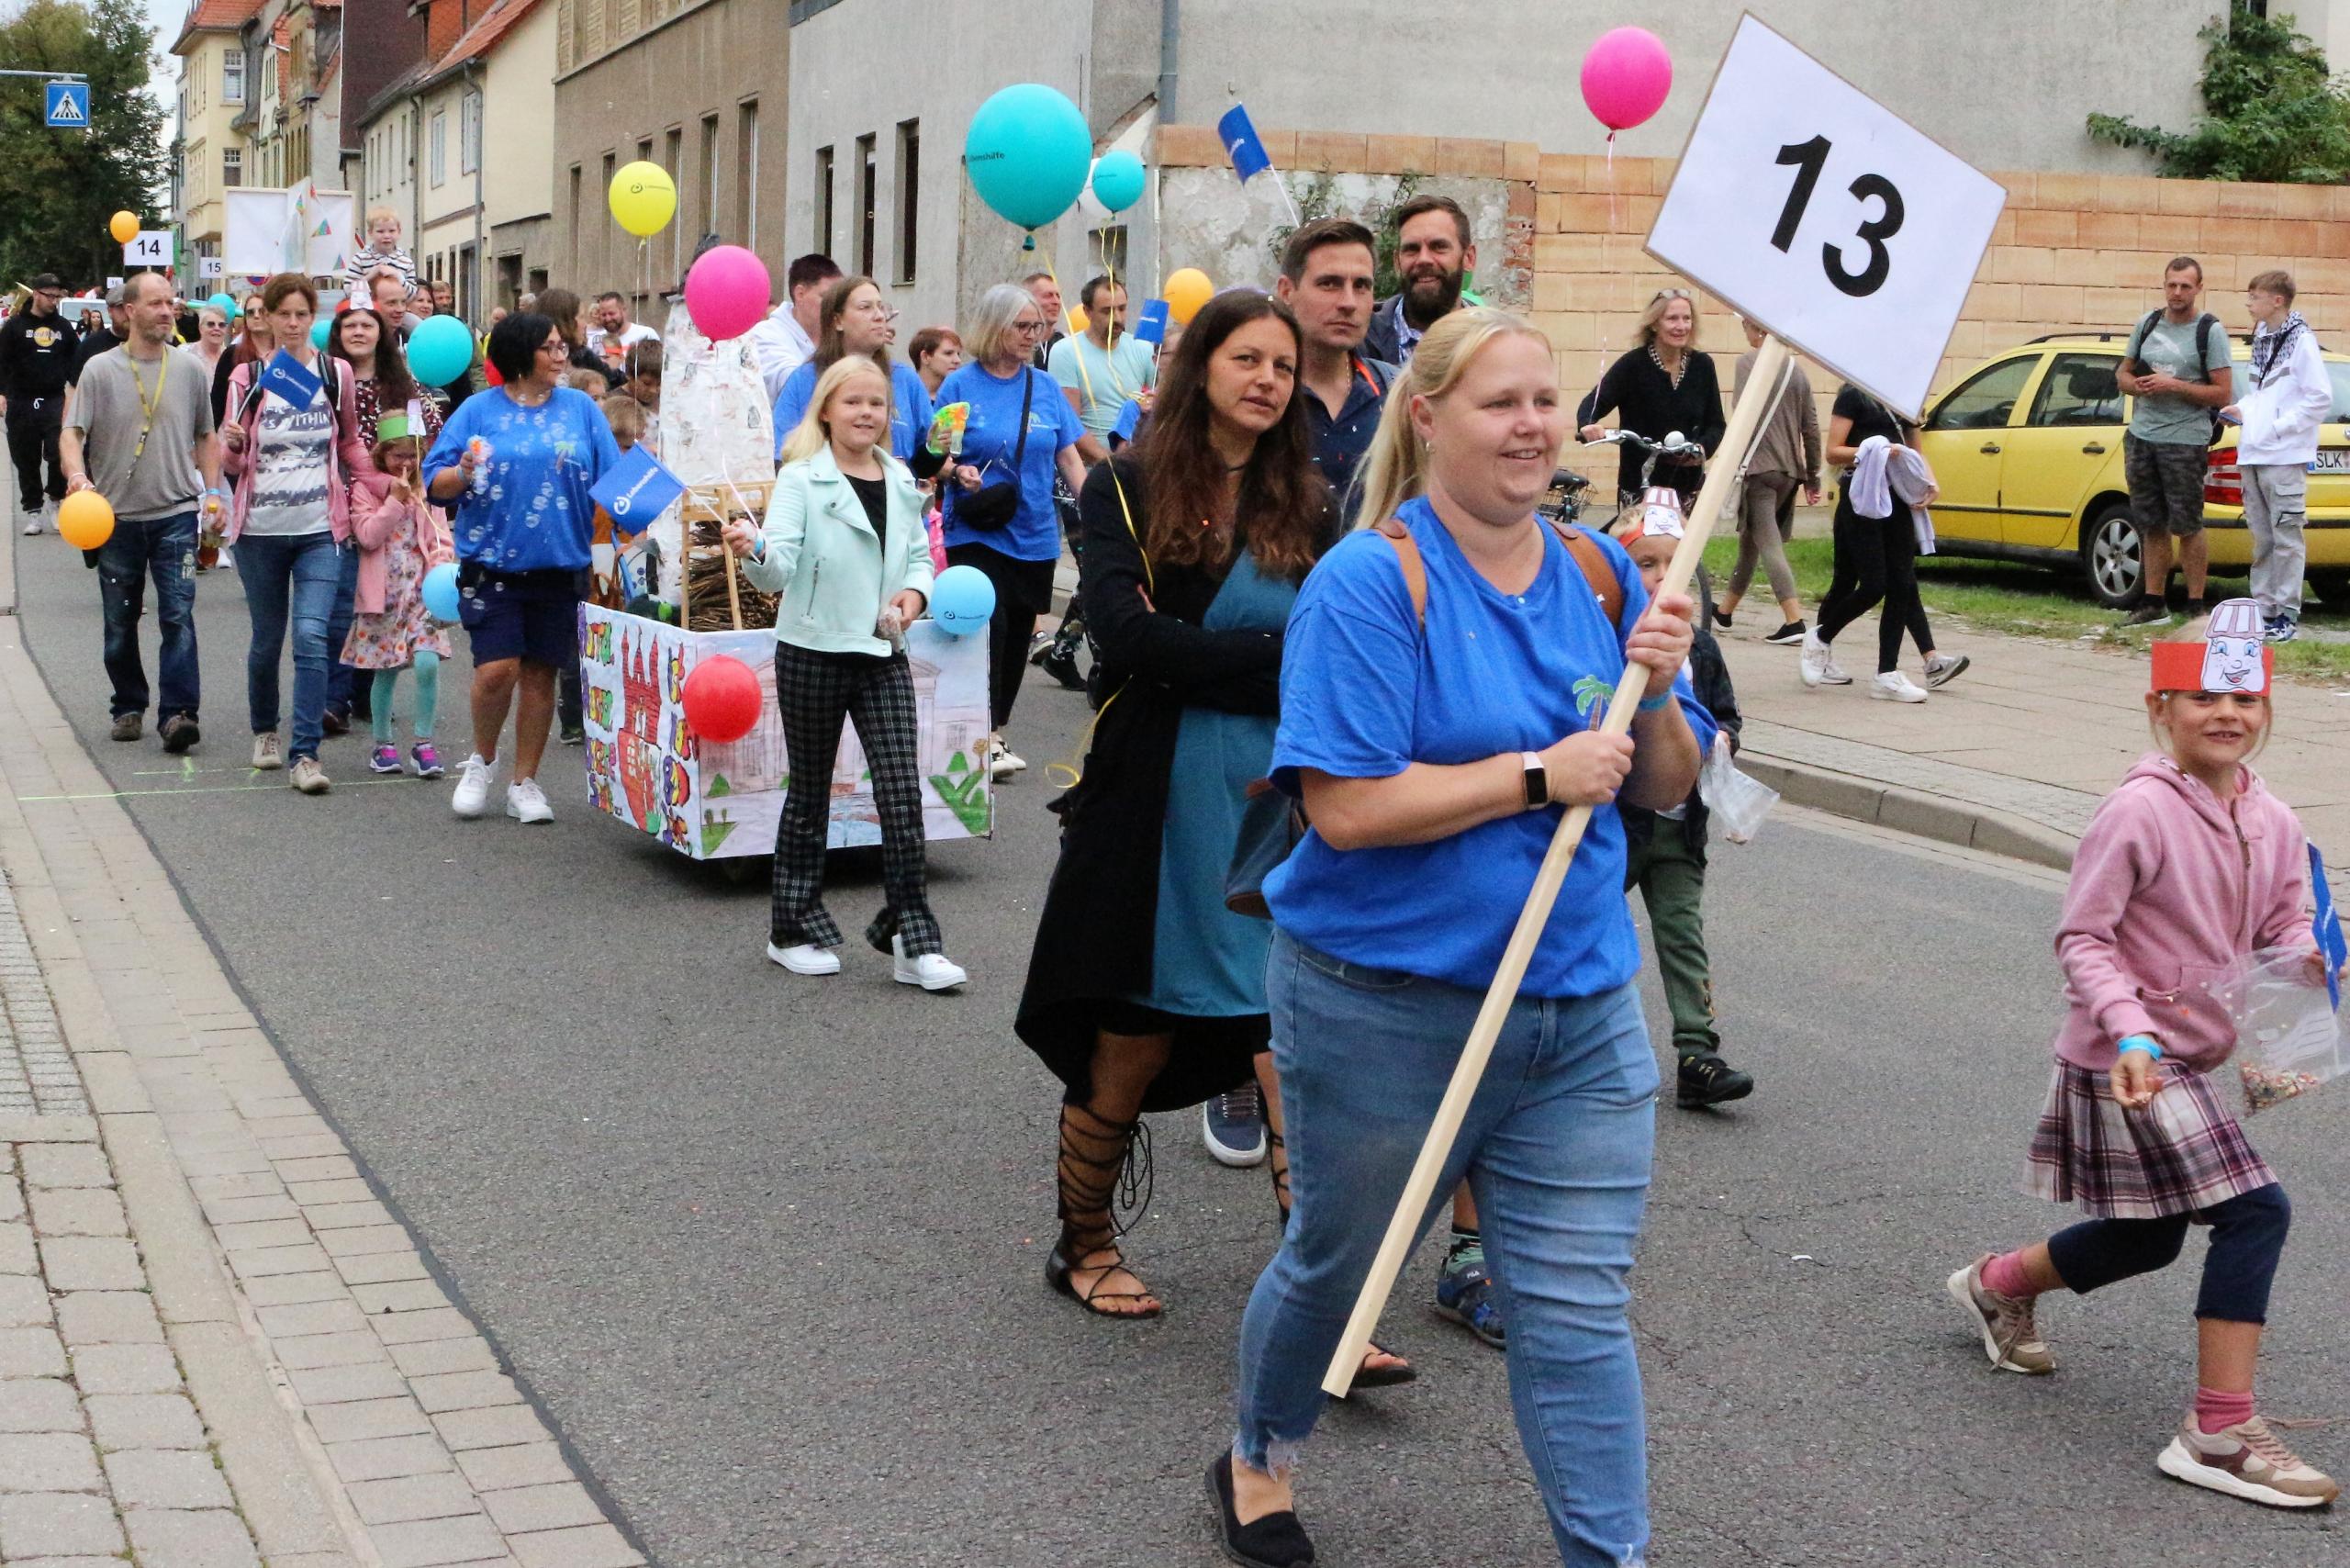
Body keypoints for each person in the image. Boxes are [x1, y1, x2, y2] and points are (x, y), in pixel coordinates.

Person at [1214, 308, 1707, 1568]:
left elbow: (1658, 786)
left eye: (1547, 401)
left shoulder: (1601, 573)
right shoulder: (1373, 583)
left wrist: (1656, 686)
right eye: (1501, 403)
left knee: (1574, 1314)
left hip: (1578, 1011)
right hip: (1385, 1008)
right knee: (1340, 1269)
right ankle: (1259, 1452)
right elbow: (1346, 807)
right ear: (1428, 416)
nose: (1534, 425)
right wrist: (1538, 773)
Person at [1946, 607, 2336, 1511]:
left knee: (2147, 1235)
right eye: (2201, 694)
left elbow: (2282, 921)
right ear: (2160, 705)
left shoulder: (2271, 815)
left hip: (2193, 1057)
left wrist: (2305, 959)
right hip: (2124, 1056)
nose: (2225, 710)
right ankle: (2218, 1431)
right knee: (2256, 1212)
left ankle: (1993, 1285)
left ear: (2266, 708)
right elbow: (2082, 937)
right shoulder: (2136, 810)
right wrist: (2127, 1029)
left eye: (2242, 693)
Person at [1014, 290, 1339, 1320]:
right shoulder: (1125, 483)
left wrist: (1222, 663)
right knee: (1131, 1032)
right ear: (1201, 364)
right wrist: (1265, 660)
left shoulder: (1312, 503)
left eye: (1282, 368)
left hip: (1273, 800)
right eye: (1246, 358)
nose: (1266, 380)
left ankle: (1316, 1301)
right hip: (1151, 796)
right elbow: (1126, 639)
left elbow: (1329, 657)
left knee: (1289, 1043)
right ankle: (1084, 1241)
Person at [722, 356, 963, 990]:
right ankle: (791, 929)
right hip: (813, 650)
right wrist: (756, 552)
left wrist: (913, 599)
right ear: (825, 410)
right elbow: (778, 569)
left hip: (883, 652)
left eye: (876, 404)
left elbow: (917, 559)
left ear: (890, 415)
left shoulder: (902, 476)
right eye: (852, 402)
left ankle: (914, 938)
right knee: (810, 795)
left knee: (901, 794)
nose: (865, 414)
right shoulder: (802, 480)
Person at [423, 311, 621, 824]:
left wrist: (648, 505)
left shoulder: (580, 408)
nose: (562, 356)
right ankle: (482, 762)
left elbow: (615, 478)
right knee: (497, 671)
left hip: (562, 564)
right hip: (491, 565)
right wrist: (462, 471)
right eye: (550, 348)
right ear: (519, 354)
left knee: (539, 675)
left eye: (563, 347)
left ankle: (524, 782)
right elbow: (434, 482)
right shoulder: (476, 411)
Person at [1612, 509, 1754, 1108]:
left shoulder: (1701, 647)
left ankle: (1698, 1053)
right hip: (1618, 827)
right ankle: (1582, 1041)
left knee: (1681, 934)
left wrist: (1722, 740)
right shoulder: (1606, 636)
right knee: (1584, 923)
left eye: (1675, 563)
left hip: (1680, 827)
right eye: (1647, 564)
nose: (1663, 576)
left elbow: (1726, 714)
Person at [218, 274, 376, 795]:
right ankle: (265, 729)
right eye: (280, 314)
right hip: (259, 529)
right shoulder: (250, 376)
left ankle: (305, 754)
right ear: (266, 318)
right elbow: (231, 461)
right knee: (268, 639)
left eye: (300, 314)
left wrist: (379, 480)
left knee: (311, 636)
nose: (290, 323)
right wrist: (233, 443)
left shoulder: (337, 373)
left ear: (314, 318)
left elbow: (350, 441)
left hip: (319, 529)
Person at [57, 272, 221, 755]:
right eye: (155, 304)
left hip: (176, 514)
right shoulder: (101, 370)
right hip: (115, 519)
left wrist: (213, 493)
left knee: (178, 615)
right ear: (129, 311)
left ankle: (178, 715)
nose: (167, 311)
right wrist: (76, 478)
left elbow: (206, 436)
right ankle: (128, 705)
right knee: (119, 621)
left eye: (170, 303)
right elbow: (72, 434)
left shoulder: (189, 369)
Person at [934, 284, 1087, 779]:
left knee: (1019, 632)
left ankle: (996, 724)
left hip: (1035, 533)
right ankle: (985, 735)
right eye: (1021, 326)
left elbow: (1068, 454)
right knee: (989, 625)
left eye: (1036, 327)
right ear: (994, 327)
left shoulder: (1043, 386)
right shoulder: (960, 386)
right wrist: (957, 472)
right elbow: (936, 455)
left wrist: (1094, 510)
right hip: (976, 529)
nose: (1031, 335)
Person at [1801, 382, 1965, 701]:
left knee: (1902, 584)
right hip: (1863, 496)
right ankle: (1820, 637)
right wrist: (1873, 450)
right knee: (1873, 584)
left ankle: (1887, 673)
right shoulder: (1855, 394)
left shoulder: (1905, 397)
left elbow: (1914, 449)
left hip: (1898, 495)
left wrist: (1929, 481)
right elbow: (1834, 451)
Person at [327, 304, 445, 730]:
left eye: (367, 324)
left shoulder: (401, 383)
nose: (359, 331)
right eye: (350, 325)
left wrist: (408, 470)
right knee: (349, 605)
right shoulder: (331, 377)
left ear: (381, 333)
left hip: (397, 494)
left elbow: (427, 426)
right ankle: (335, 698)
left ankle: (366, 697)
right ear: (338, 332)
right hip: (346, 497)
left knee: (382, 606)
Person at [2117, 257, 2232, 626]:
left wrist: (2174, 386)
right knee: (2150, 522)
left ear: (2199, 288)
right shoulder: (2147, 323)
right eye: (2172, 285)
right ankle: (2153, 601)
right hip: (2142, 435)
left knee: (2188, 524)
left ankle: (2196, 603)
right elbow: (2122, 371)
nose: (2177, 293)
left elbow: (2222, 392)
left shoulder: (2209, 331)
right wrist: (2134, 385)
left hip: (2185, 439)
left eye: (2185, 286)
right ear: (2163, 285)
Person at [2221, 270, 2329, 644]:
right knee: (2262, 538)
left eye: (2255, 296)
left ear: (2277, 300)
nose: (2249, 303)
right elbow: (2262, 393)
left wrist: (2281, 427)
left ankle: (2287, 613)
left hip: (2283, 455)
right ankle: (2262, 608)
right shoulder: (2264, 337)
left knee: (2287, 536)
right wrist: (2242, 410)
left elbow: (2318, 397)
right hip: (2254, 451)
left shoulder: (2301, 341)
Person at [343, 415, 453, 778]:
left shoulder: (428, 490)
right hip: (383, 595)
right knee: (386, 670)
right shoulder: (365, 490)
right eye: (397, 456)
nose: (406, 463)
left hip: (422, 593)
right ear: (382, 455)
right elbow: (368, 536)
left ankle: (424, 743)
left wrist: (440, 569)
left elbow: (441, 538)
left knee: (427, 662)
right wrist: (393, 502)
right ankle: (382, 744)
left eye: (412, 455)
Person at [1271, 217, 1396, 521]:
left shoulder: (1397, 394)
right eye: (1330, 284)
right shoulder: (1259, 393)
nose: (1349, 303)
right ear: (1287, 292)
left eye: (1362, 286)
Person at [1577, 287, 1728, 513]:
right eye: (1672, 319)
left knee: (1683, 548)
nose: (1681, 326)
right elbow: (1594, 402)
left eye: (1687, 319)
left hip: (1687, 485)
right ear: (1655, 323)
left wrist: (1701, 449)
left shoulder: (1703, 366)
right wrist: (1587, 425)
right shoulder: (1632, 365)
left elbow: (1715, 423)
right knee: (1637, 545)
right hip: (1640, 484)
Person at [1718, 316, 1820, 644]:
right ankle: (1725, 610)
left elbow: (1741, 416)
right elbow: (1812, 428)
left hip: (1759, 469)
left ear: (1757, 329)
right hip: (1790, 471)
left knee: (1770, 547)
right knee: (1751, 543)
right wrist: (1813, 477)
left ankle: (1794, 620)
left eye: (1746, 328)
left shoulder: (1748, 363)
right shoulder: (1798, 372)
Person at [767, 274, 932, 462]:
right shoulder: (805, 379)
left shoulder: (905, 379)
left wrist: (937, 449)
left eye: (881, 307)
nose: (879, 316)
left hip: (895, 489)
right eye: (865, 307)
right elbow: (782, 456)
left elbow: (923, 459)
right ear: (837, 321)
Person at [1046, 275, 1156, 463]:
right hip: (1090, 472)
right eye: (1107, 311)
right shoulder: (1066, 352)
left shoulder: (1143, 349)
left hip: (1138, 466)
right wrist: (1112, 466)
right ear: (1087, 312)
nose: (1118, 318)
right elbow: (1070, 426)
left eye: (1122, 309)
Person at [0, 274, 78, 534]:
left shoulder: (64, 328)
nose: (54, 301)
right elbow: (2, 362)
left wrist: (75, 391)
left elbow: (75, 363)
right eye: (49, 295)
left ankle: (55, 500)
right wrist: (2, 394)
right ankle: (33, 510)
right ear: (36, 294)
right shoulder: (14, 326)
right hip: (21, 398)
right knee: (26, 457)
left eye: (58, 296)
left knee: (58, 452)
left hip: (55, 397)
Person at [1361, 194, 1476, 366]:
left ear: (1468, 258)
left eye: (1438, 247)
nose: (1423, 259)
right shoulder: (1358, 343)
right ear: (1397, 262)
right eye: (1411, 249)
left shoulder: (1499, 346)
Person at [749, 253, 841, 401]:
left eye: (840, 299)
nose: (835, 306)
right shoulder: (766, 334)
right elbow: (791, 380)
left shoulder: (839, 336)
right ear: (800, 294)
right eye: (827, 297)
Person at [539, 286, 621, 391]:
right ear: (565, 321)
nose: (585, 324)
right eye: (581, 317)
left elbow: (616, 380)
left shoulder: (584, 357)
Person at [213, 294, 274, 427]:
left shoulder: (284, 356)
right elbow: (217, 405)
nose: (256, 316)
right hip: (238, 435)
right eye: (250, 313)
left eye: (262, 311)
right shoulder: (232, 354)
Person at [344, 207, 417, 300]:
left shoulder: (406, 262)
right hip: (368, 311)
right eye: (380, 231)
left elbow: (412, 296)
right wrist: (370, 276)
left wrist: (398, 276)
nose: (386, 236)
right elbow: (348, 292)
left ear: (399, 232)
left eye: (392, 231)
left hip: (397, 311)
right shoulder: (360, 259)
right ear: (370, 233)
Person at [73, 285, 131, 382]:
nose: (128, 313)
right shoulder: (90, 345)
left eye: (132, 307)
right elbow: (74, 388)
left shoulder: (151, 345)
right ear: (110, 311)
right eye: (121, 307)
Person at [588, 291, 659, 371]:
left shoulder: (646, 335)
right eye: (603, 315)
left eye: (611, 314)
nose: (608, 319)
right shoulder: (594, 341)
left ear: (624, 310)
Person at [1023, 272, 1066, 369]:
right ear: (1028, 299)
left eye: (1058, 296)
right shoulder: (1014, 345)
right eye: (1048, 296)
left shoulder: (1067, 345)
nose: (1056, 302)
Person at [909, 326, 963, 398]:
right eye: (948, 353)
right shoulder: (904, 395)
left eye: (958, 354)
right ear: (925, 357)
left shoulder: (960, 396)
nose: (958, 360)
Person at [369, 269, 418, 342]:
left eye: (403, 302)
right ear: (372, 302)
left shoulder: (411, 339)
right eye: (392, 303)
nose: (400, 309)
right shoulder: (360, 344)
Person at [190, 303, 231, 382]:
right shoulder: (186, 352)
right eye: (211, 324)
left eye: (221, 325)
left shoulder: (229, 357)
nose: (216, 328)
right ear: (200, 328)